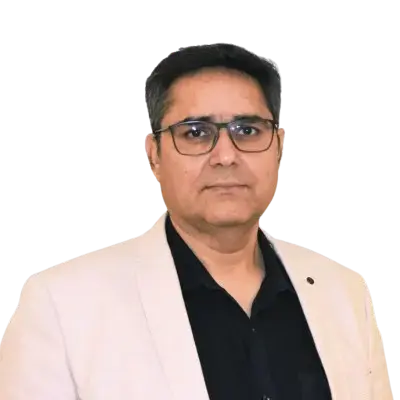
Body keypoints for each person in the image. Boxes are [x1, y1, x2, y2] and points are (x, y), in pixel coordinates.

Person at [0, 43, 393, 400]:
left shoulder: (343, 292)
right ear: (153, 154)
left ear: (279, 146)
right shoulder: (63, 304)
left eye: (248, 130)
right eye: (195, 133)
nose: (226, 156)